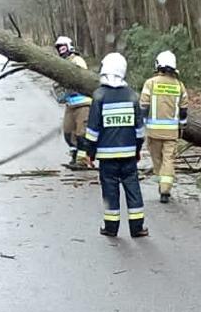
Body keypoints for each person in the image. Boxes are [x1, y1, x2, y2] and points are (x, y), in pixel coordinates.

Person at [79, 53, 148, 238]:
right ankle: (137, 227)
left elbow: (93, 129)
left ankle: (111, 228)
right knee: (133, 189)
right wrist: (137, 149)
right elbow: (140, 130)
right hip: (129, 156)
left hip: (107, 158)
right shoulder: (132, 96)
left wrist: (89, 153)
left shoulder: (99, 96)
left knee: (110, 192)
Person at [139, 50, 188, 204]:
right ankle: (165, 188)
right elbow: (184, 108)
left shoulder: (150, 83)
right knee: (169, 159)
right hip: (172, 132)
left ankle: (162, 183)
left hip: (153, 131)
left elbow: (143, 105)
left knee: (157, 159)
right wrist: (182, 125)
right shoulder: (179, 85)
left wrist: (142, 123)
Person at [53, 36, 93, 169]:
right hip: (70, 104)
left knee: (82, 134)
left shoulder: (77, 60)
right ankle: (74, 155)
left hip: (83, 103)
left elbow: (78, 78)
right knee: (68, 133)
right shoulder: (61, 62)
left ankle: (83, 160)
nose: (61, 50)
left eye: (62, 47)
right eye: (59, 48)